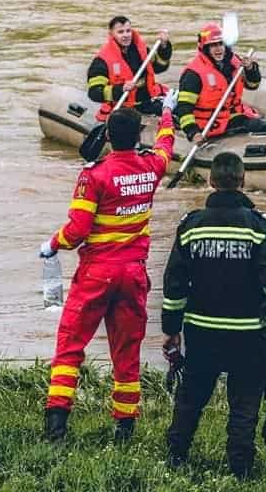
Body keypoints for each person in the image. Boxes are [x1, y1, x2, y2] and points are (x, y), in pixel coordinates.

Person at [39, 89, 179, 443]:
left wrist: (52, 244)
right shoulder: (151, 166)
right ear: (137, 136)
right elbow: (166, 146)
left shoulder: (94, 176)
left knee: (70, 346)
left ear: (107, 137)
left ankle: (56, 426)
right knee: (127, 352)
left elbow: (76, 231)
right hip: (133, 274)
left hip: (96, 274)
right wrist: (166, 113)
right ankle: (124, 428)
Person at [161, 152, 266, 479]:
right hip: (249, 333)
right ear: (243, 180)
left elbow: (174, 283)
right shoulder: (260, 226)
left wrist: (171, 329)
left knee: (191, 395)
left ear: (210, 181)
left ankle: (176, 454)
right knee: (245, 401)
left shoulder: (191, 226)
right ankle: (240, 468)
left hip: (201, 331)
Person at [175, 22, 266, 143]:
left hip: (232, 114)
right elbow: (184, 108)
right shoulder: (193, 74)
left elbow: (253, 85)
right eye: (213, 45)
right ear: (205, 48)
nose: (218, 48)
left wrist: (250, 69)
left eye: (220, 44)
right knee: (263, 127)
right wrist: (193, 132)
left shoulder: (235, 62)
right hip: (209, 122)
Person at [88, 16, 173, 123]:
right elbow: (94, 92)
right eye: (120, 32)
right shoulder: (102, 60)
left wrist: (164, 47)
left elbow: (160, 67)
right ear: (111, 34)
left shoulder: (141, 50)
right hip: (123, 107)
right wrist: (120, 89)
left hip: (147, 101)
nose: (126, 35)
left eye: (128, 31)